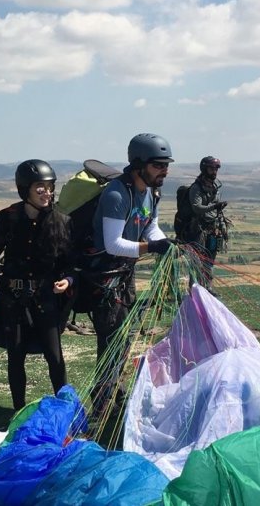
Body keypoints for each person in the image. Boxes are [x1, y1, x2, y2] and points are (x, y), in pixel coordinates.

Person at [0, 160, 74, 411]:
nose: (47, 193)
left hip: (46, 298)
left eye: (50, 187)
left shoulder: (61, 222)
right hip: (12, 299)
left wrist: (68, 280)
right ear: (25, 189)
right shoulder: (7, 218)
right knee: (15, 356)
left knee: (55, 356)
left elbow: (71, 263)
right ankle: (17, 412)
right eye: (40, 187)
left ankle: (64, 411)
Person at [86, 133, 174, 411]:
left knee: (123, 338)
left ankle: (114, 391)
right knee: (111, 339)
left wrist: (161, 242)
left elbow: (149, 227)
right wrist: (151, 248)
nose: (165, 171)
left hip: (125, 274)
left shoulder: (151, 192)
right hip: (104, 276)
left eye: (166, 165)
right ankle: (102, 401)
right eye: (158, 165)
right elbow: (113, 244)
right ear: (139, 165)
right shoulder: (116, 194)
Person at [182, 156, 228, 291]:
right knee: (196, 264)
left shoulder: (215, 187)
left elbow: (217, 210)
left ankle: (208, 289)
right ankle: (195, 293)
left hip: (213, 230)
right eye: (211, 168)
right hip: (197, 231)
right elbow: (197, 207)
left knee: (209, 263)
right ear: (204, 169)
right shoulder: (196, 188)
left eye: (216, 169)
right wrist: (214, 207)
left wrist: (222, 226)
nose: (214, 172)